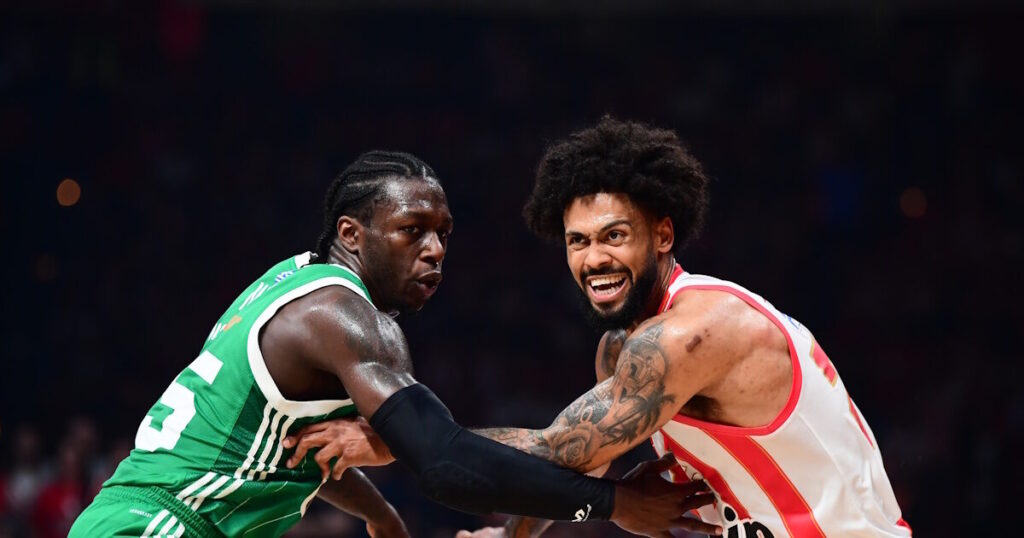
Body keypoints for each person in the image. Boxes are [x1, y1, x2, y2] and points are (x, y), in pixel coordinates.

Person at [287, 121, 912, 537]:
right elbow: (580, 461)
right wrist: (511, 536)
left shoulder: (693, 333)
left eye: (615, 236)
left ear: (662, 235)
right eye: (578, 242)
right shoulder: (624, 349)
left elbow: (559, 450)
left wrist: (396, 442)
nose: (594, 259)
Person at [69, 150, 715, 538]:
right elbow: (445, 463)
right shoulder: (345, 318)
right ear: (352, 233)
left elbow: (297, 447)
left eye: (443, 234)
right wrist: (613, 504)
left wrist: (379, 515)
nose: (434, 251)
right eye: (412, 231)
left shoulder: (289, 282)